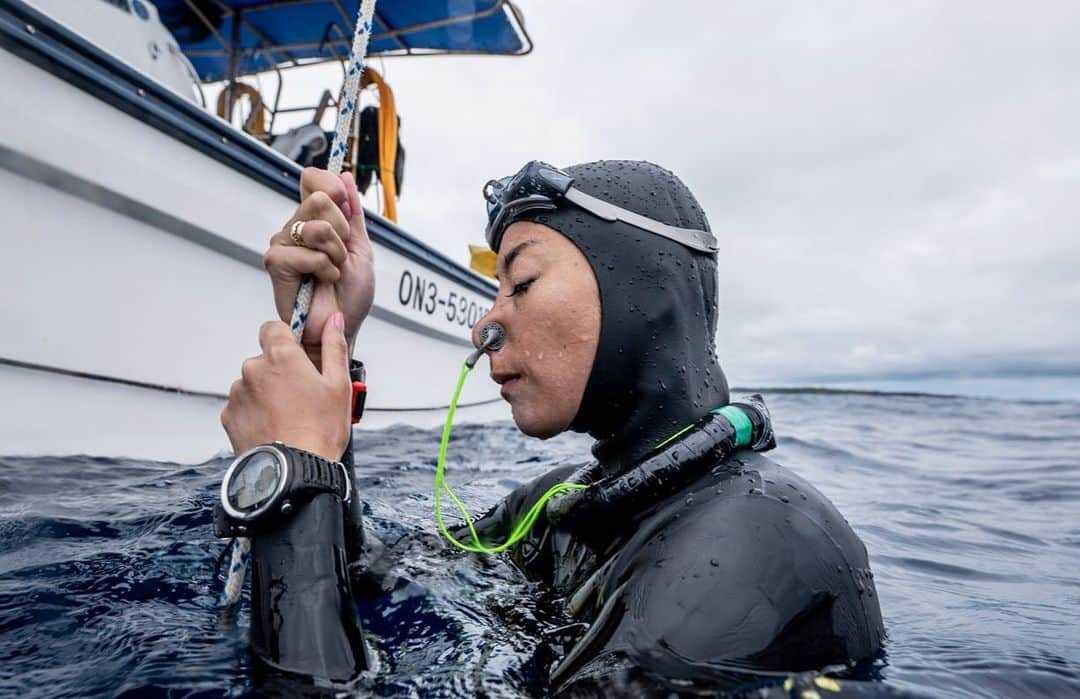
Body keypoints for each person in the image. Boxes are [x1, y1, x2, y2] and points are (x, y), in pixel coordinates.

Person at [220, 161, 885, 694]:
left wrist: (291, 478)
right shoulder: (565, 504)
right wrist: (328, 352)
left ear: (646, 295)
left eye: (524, 281)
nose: (485, 324)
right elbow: (370, 579)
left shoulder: (757, 547)